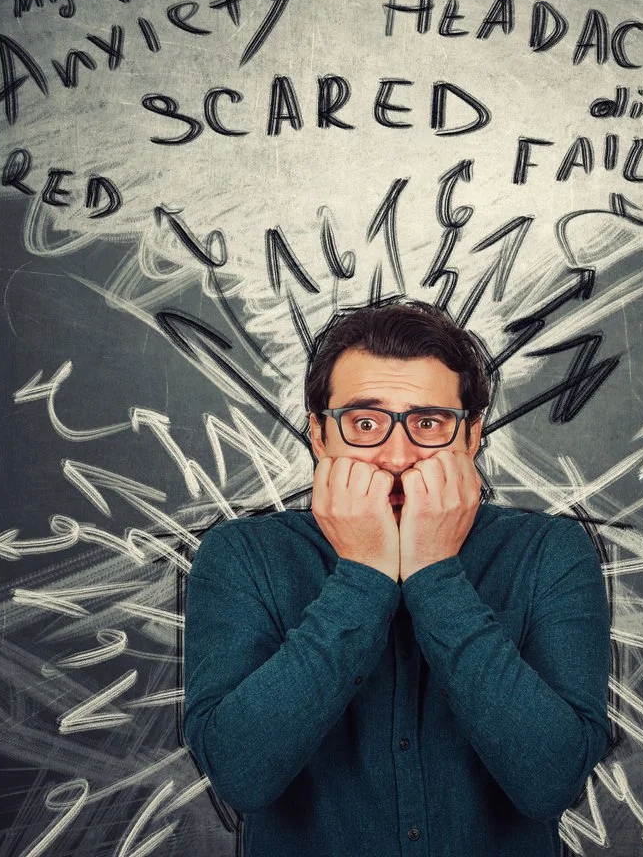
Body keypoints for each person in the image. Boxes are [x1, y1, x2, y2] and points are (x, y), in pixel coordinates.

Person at [183, 299, 611, 856]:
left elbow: (552, 781)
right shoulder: (240, 557)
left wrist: (436, 572)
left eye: (428, 423)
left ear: (472, 435)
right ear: (319, 434)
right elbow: (240, 775)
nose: (397, 455)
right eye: (365, 423)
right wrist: (364, 573)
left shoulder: (550, 553)